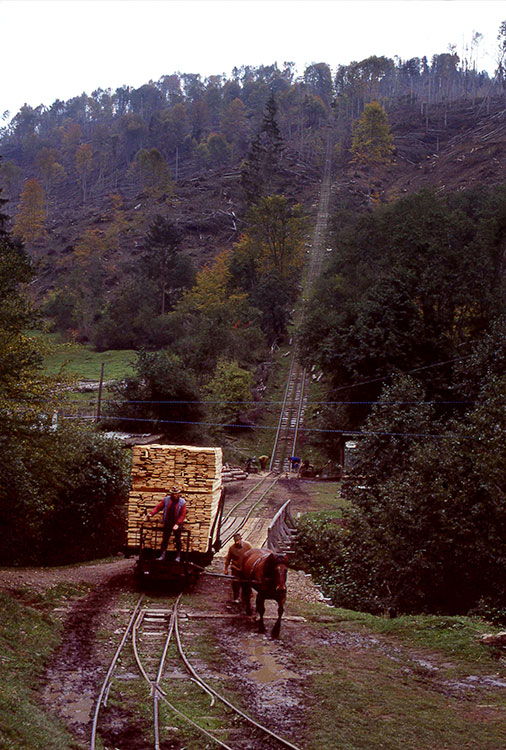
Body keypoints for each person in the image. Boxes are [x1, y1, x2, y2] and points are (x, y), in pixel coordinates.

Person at [149, 485, 187, 561]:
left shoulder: (182, 502)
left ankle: (178, 556)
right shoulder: (166, 500)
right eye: (173, 494)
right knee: (165, 539)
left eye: (176, 494)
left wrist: (177, 524)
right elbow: (158, 507)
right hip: (168, 522)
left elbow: (182, 515)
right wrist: (151, 513)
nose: (175, 495)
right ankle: (162, 555)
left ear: (179, 494)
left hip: (177, 524)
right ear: (171, 494)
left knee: (177, 540)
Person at [224, 532, 252, 603]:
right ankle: (236, 597)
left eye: (238, 540)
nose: (237, 542)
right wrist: (226, 569)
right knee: (235, 583)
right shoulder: (232, 548)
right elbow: (228, 559)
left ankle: (246, 597)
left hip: (245, 568)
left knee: (246, 583)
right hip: (236, 568)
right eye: (236, 541)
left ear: (241, 540)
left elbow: (252, 554)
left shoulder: (248, 546)